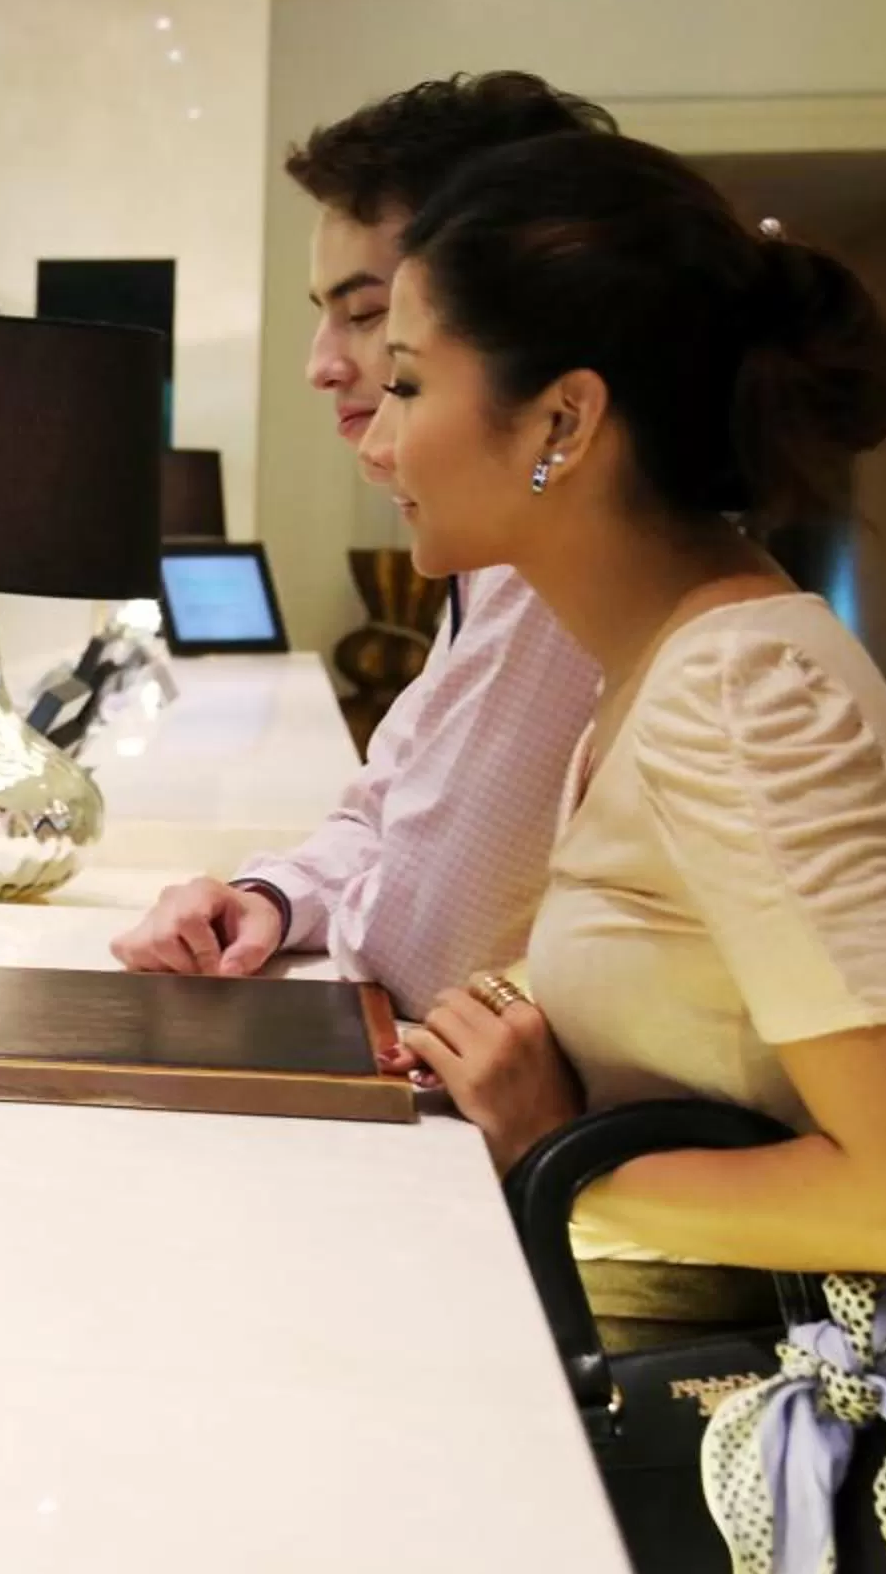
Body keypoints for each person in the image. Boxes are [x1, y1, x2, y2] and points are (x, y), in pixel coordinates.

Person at [370, 130, 886, 1280]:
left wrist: (555, 1148)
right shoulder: (665, 663)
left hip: (714, 1411)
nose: (378, 443)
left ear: (562, 423)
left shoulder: (738, 695)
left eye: (410, 383)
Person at [113, 73, 608, 1014]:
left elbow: (428, 944)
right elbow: (385, 811)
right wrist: (268, 895)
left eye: (373, 316)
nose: (321, 364)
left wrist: (346, 902)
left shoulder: (570, 581)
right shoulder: (498, 560)